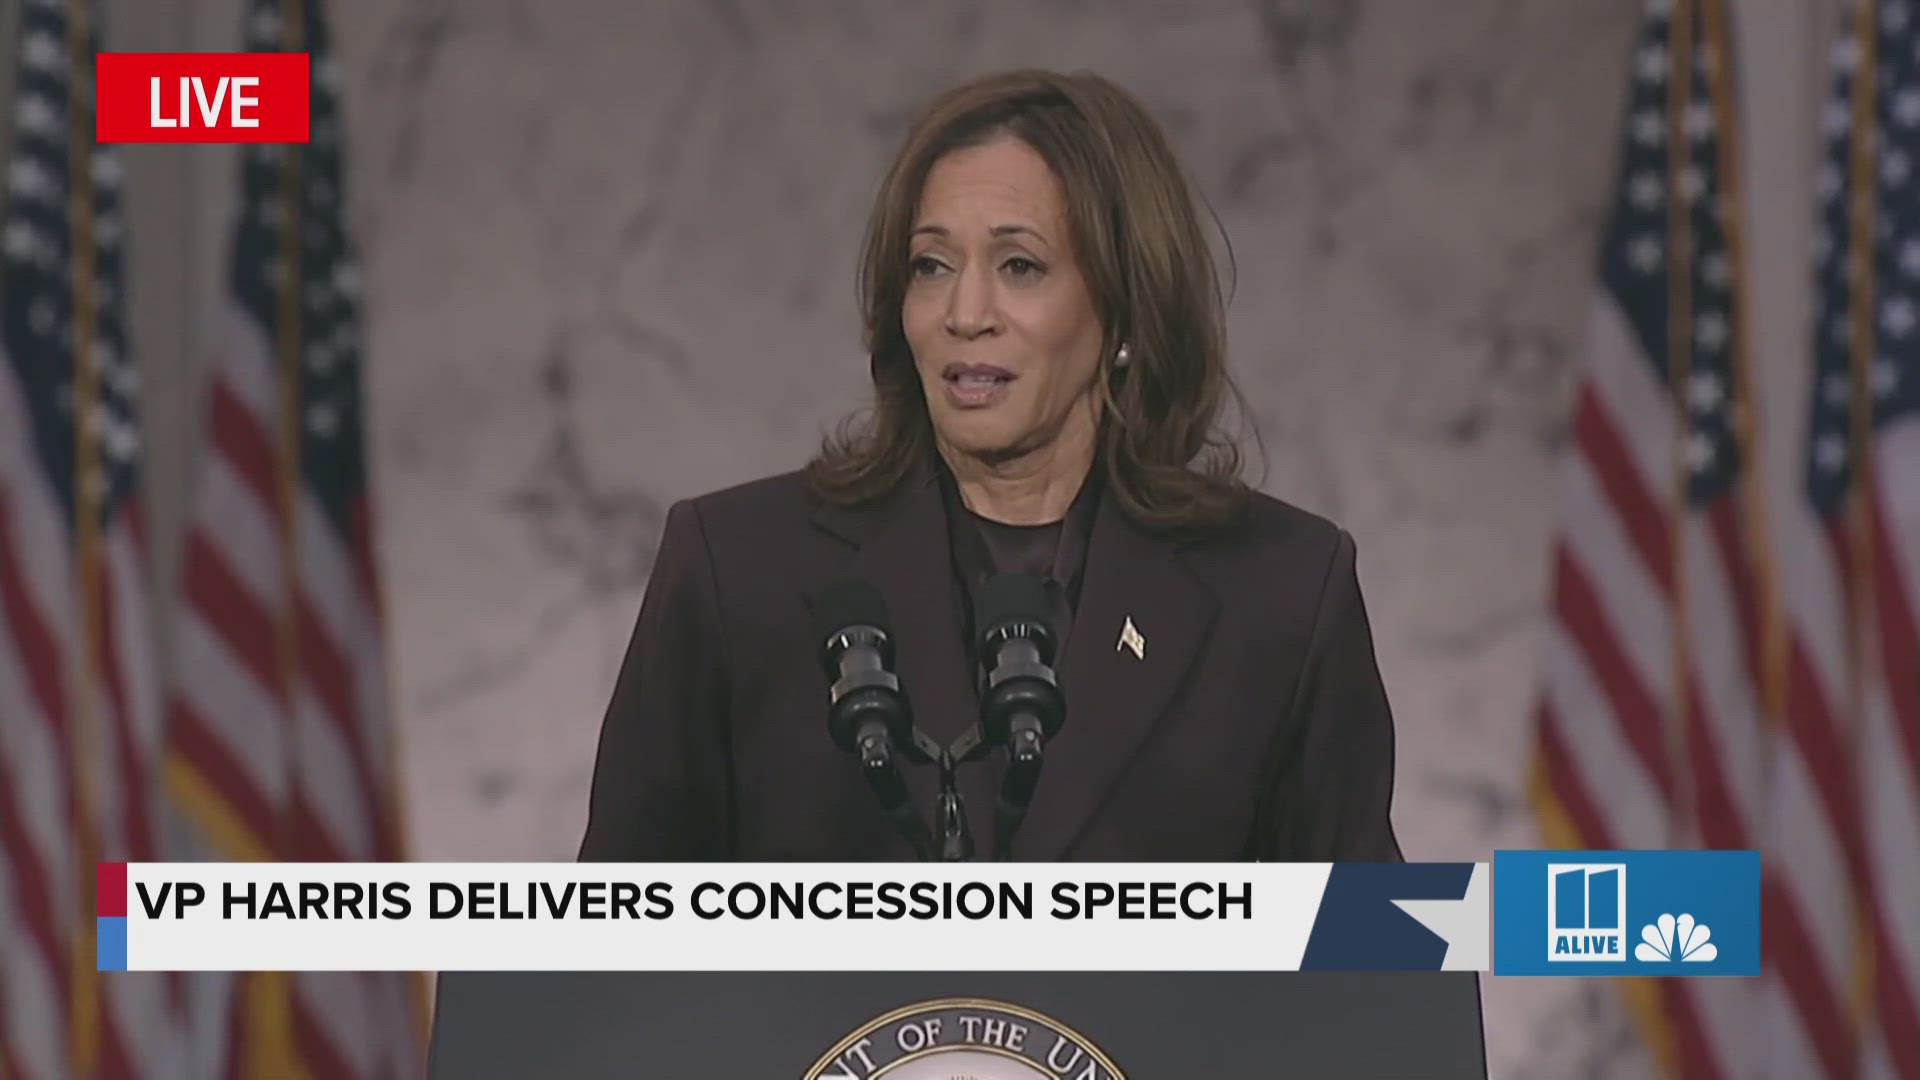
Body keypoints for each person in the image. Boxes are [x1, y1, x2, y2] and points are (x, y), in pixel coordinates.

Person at [577, 69, 1401, 863]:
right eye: (931, 266)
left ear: (1124, 308)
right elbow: (602, 954)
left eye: (1020, 267)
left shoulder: (1282, 595)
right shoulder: (736, 569)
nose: (964, 315)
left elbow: (1380, 972)